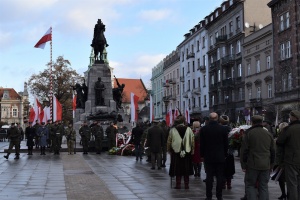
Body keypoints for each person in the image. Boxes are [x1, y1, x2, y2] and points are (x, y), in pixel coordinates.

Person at [240, 115, 275, 200]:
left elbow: (244, 150)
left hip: (253, 164)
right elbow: (273, 151)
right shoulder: (268, 134)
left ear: (252, 122)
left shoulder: (249, 133)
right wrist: (272, 165)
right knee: (263, 186)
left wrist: (243, 165)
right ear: (261, 122)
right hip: (266, 164)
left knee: (250, 185)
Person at [200, 112, 228, 200]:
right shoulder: (223, 129)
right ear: (217, 118)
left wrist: (202, 155)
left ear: (209, 119)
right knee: (220, 177)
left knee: (209, 177)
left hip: (208, 156)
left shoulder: (204, 129)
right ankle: (219, 196)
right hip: (220, 156)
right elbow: (226, 144)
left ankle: (209, 196)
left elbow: (202, 144)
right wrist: (225, 154)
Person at [276, 110, 300, 200]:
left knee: (292, 184)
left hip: (291, 160)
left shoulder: (288, 129)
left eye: (290, 116)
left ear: (293, 117)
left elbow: (279, 142)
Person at [167, 115, 194, 189]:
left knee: (177, 168)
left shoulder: (172, 130)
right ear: (184, 121)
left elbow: (169, 141)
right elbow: (192, 140)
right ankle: (186, 184)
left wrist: (169, 149)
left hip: (176, 151)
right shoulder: (189, 129)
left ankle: (178, 184)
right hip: (187, 150)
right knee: (186, 168)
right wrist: (192, 150)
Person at [273, 122, 288, 200]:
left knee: (281, 179)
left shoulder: (281, 137)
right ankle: (286, 194)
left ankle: (284, 194)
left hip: (281, 161)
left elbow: (278, 151)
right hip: (287, 161)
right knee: (287, 179)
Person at [219, 115, 235, 190]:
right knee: (229, 169)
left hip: (221, 152)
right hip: (230, 152)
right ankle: (229, 184)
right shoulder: (232, 130)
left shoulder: (219, 129)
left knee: (222, 169)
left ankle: (223, 184)